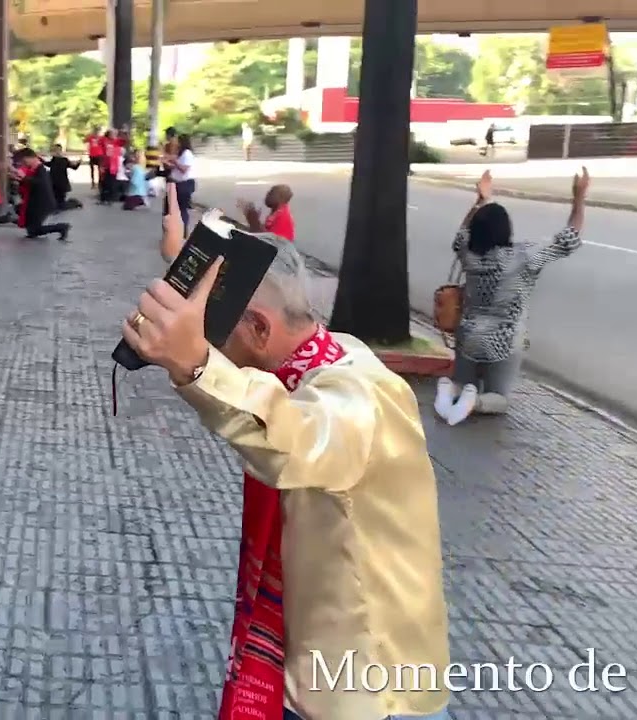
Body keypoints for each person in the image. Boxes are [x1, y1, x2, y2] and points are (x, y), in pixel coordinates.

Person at [125, 201, 451, 720]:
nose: (214, 348)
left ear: (257, 328)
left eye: (216, 338)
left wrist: (195, 366)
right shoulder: (322, 357)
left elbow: (294, 443)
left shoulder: (358, 396)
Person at [435, 169, 587, 426]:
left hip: (468, 336)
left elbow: (461, 236)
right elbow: (568, 239)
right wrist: (579, 198)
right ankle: (476, 401)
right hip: (505, 340)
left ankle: (454, 390)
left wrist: (480, 201)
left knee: (463, 382)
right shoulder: (524, 257)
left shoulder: (469, 256)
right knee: (499, 398)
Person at [14, 148, 69, 242]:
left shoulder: (40, 169)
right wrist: (20, 179)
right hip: (35, 202)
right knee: (30, 228)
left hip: (42, 203)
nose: (24, 164)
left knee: (34, 230)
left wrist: (24, 178)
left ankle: (62, 227)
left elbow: (39, 183)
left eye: (24, 161)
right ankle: (58, 227)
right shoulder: (35, 168)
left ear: (30, 157)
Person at [164, 133, 196, 235]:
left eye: (178, 141)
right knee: (171, 207)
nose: (176, 143)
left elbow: (184, 169)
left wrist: (175, 162)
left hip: (184, 184)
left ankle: (182, 231)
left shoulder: (187, 153)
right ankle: (174, 230)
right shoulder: (181, 153)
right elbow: (176, 168)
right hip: (177, 183)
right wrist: (169, 163)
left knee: (181, 208)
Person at [45, 144, 81, 211]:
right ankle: (58, 206)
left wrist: (78, 162)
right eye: (54, 151)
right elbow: (46, 164)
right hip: (53, 184)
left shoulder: (64, 160)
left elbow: (74, 167)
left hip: (62, 184)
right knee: (55, 201)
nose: (56, 152)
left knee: (61, 203)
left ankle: (74, 203)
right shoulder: (53, 160)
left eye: (58, 150)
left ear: (61, 151)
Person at [98, 129, 119, 205]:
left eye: (115, 134)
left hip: (113, 166)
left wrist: (125, 132)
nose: (114, 135)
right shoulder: (104, 141)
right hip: (105, 165)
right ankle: (103, 199)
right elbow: (100, 152)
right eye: (113, 134)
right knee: (104, 182)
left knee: (111, 183)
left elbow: (124, 140)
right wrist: (101, 165)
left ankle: (110, 199)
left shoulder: (116, 142)